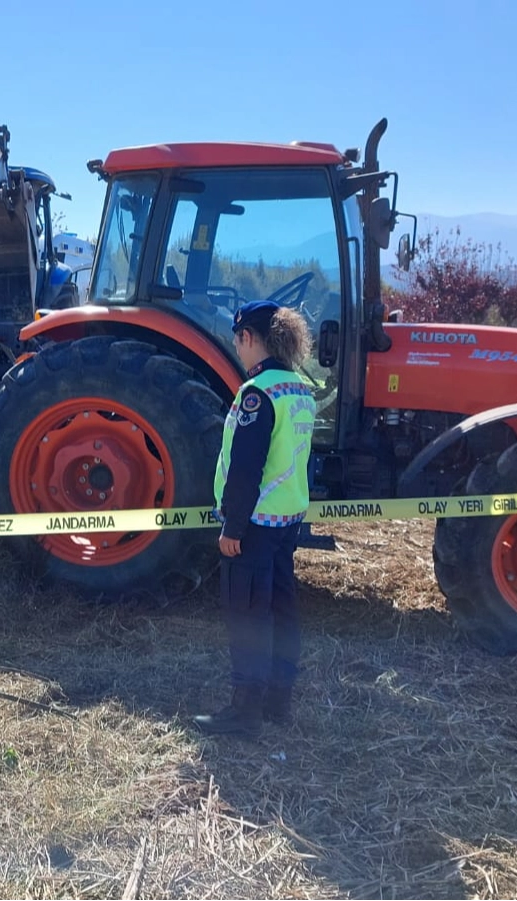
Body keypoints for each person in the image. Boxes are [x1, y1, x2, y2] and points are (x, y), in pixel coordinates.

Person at [194, 300, 316, 738]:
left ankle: (245, 713)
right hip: (286, 521)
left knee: (248, 616)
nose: (236, 348)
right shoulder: (300, 390)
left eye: (237, 340)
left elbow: (245, 468)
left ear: (248, 337)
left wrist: (232, 527)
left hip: (254, 526)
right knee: (282, 611)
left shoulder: (257, 394)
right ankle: (277, 703)